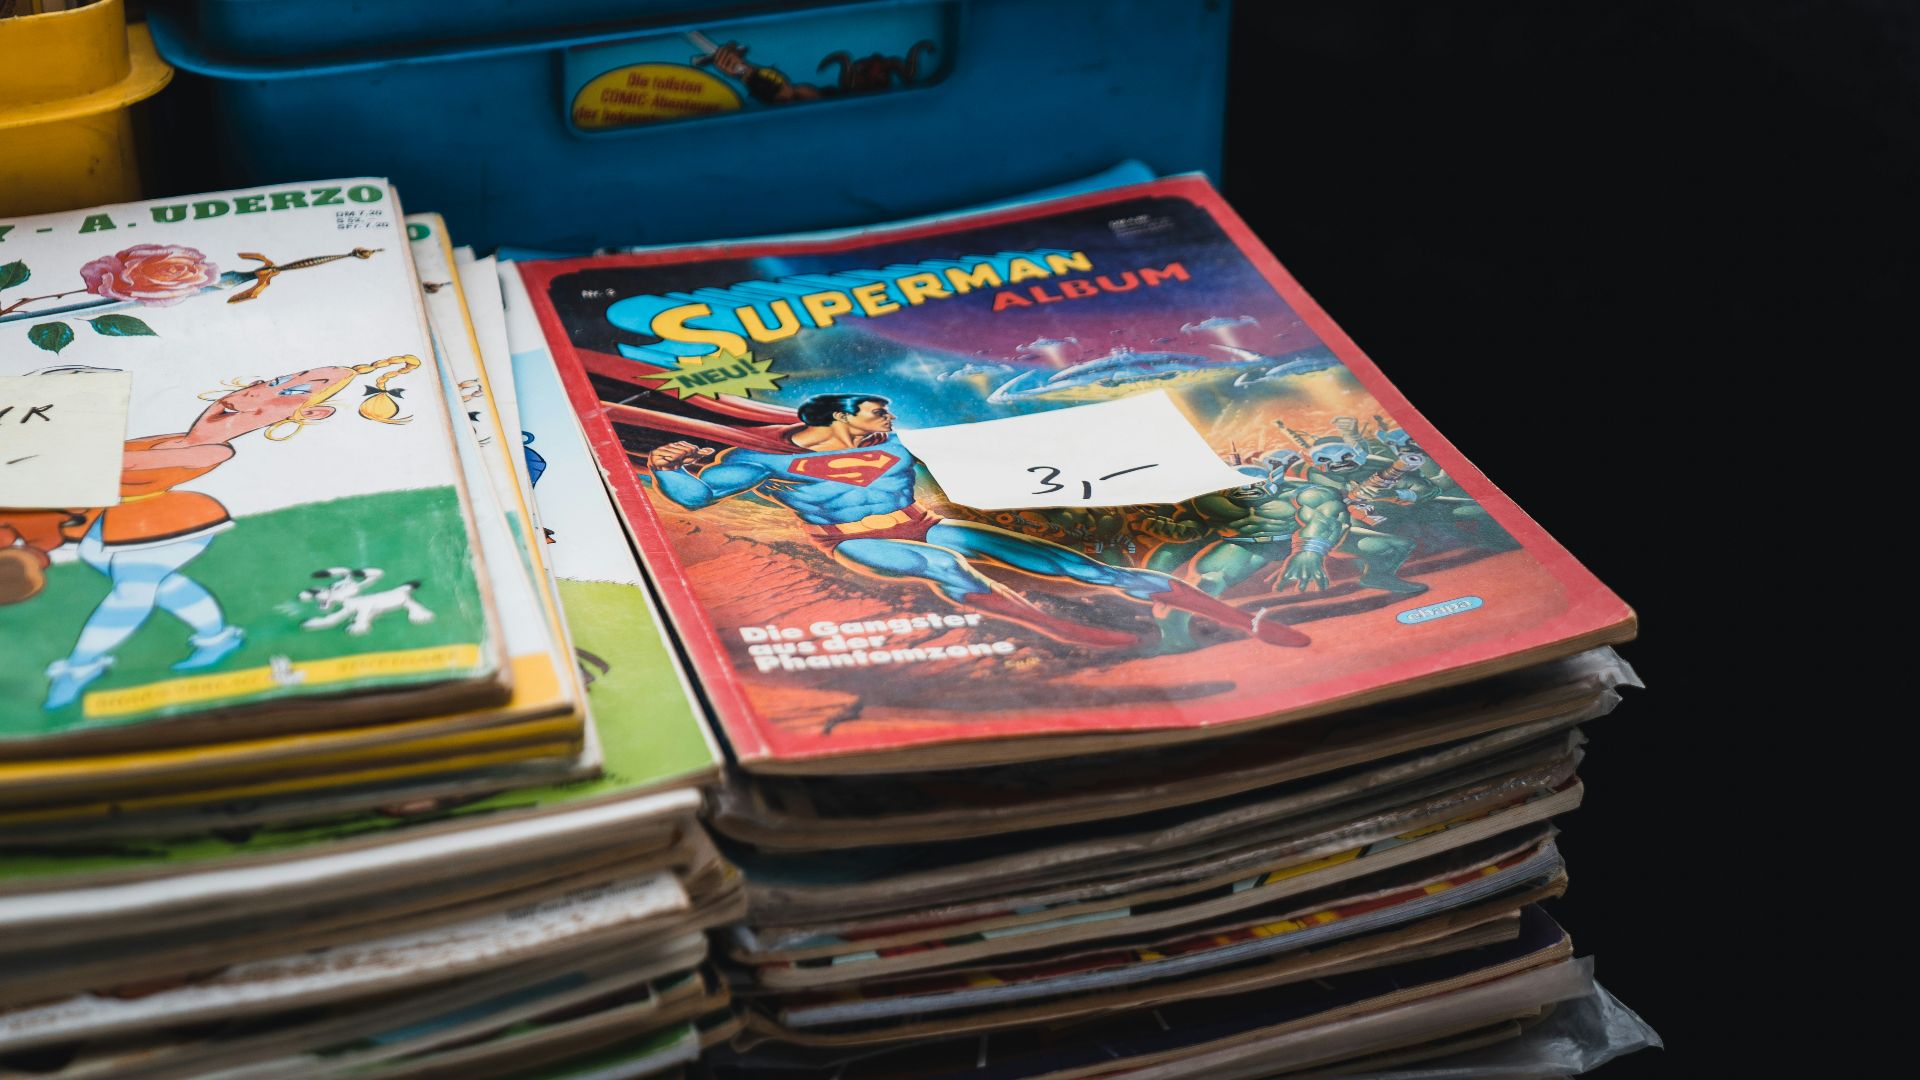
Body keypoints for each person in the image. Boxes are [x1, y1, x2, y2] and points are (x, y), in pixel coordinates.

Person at [646, 391, 1309, 649]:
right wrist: (670, 463)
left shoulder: (899, 444)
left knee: (1080, 566)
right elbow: (695, 499)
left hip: (923, 518)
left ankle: (1240, 619)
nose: (889, 420)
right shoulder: (758, 459)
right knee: (944, 567)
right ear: (839, 415)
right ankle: (1054, 625)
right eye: (876, 413)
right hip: (863, 543)